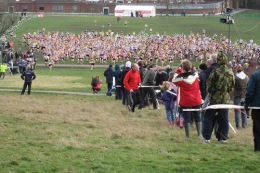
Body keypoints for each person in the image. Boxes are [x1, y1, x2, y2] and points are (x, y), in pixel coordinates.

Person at [202, 51, 235, 143]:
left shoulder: (215, 72)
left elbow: (208, 85)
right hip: (225, 99)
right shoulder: (230, 72)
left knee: (208, 118)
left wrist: (213, 92)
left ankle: (207, 138)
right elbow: (232, 86)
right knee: (224, 119)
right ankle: (223, 137)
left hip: (214, 99)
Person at [172, 59, 202, 137]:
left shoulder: (180, 78)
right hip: (196, 99)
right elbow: (194, 72)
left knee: (187, 117)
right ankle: (199, 133)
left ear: (182, 67)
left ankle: (188, 135)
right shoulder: (195, 75)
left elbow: (174, 80)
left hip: (186, 100)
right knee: (197, 116)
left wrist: (178, 70)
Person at [244, 68, 260, 152]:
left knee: (257, 128)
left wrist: (247, 103)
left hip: (257, 107)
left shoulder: (255, 75)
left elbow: (250, 91)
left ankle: (258, 148)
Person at [233, 64, 249, 129]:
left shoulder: (235, 78)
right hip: (244, 96)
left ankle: (238, 126)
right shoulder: (247, 77)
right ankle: (244, 126)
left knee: (237, 111)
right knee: (244, 111)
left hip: (237, 96)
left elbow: (233, 86)